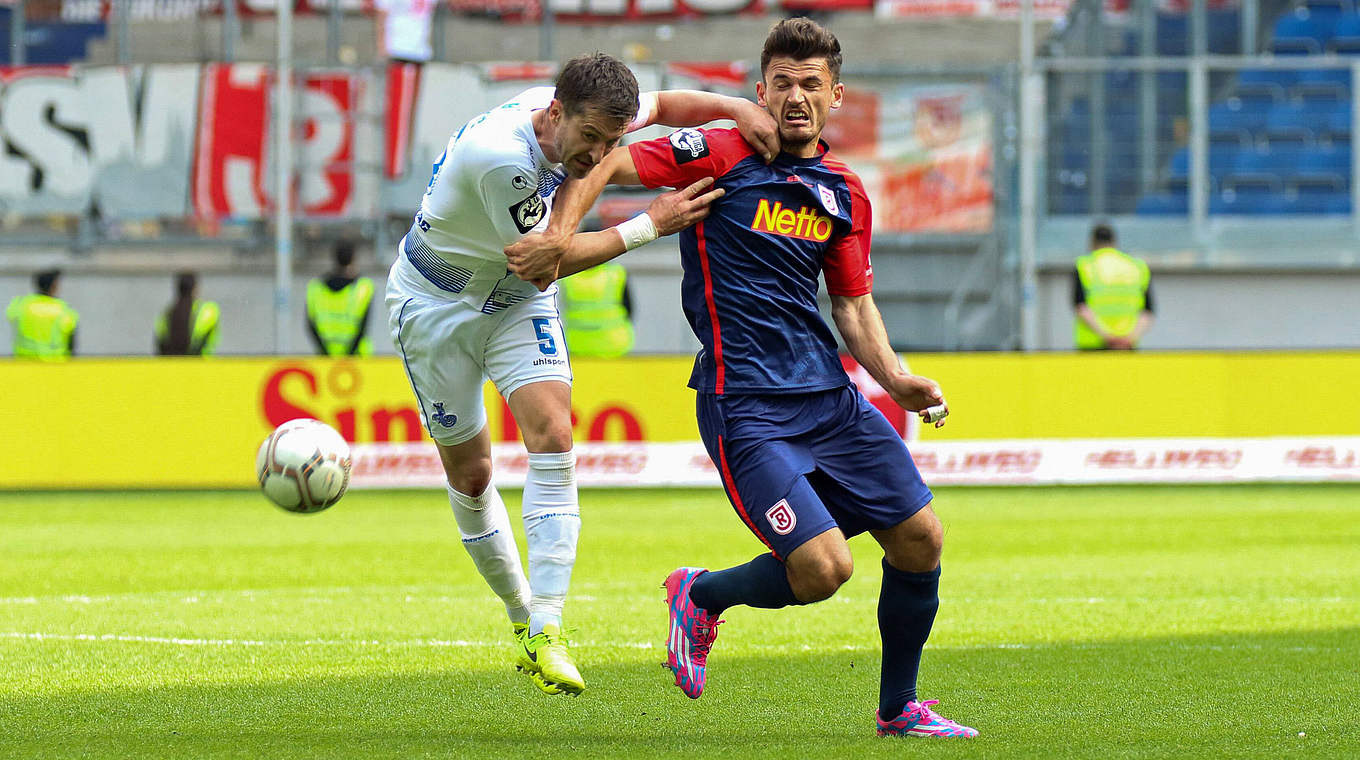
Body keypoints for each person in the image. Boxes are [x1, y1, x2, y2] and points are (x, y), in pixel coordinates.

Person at [509, 19, 978, 738]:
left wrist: (896, 375)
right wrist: (559, 238)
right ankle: (702, 597)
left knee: (921, 539)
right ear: (760, 91)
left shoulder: (844, 190)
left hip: (831, 400)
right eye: (782, 83)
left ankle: (898, 709)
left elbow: (852, 303)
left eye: (811, 85)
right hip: (747, 407)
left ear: (836, 96)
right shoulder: (721, 152)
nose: (796, 97)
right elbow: (607, 160)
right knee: (825, 570)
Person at [384, 51, 778, 697]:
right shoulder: (503, 160)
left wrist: (735, 106)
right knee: (474, 474)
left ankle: (548, 627)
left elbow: (666, 105)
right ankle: (519, 619)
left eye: (611, 141)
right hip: (437, 305)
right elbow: (546, 264)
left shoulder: (590, 110)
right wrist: (656, 222)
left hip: (513, 304)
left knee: (555, 437)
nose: (599, 156)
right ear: (555, 113)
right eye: (590, 139)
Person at [1073, 223, 1154, 350]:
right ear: (1115, 242)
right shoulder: (1137, 267)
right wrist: (1129, 339)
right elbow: (1147, 312)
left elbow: (1081, 308)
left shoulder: (1084, 266)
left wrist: (1107, 337)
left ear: (1092, 242)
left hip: (1093, 347)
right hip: (1128, 346)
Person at [307, 241, 375, 357]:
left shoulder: (315, 287)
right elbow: (362, 327)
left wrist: (327, 355)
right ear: (353, 259)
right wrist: (346, 357)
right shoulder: (363, 287)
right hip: (358, 360)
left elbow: (311, 326)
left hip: (325, 360)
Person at [557, 262, 634, 359]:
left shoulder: (567, 275)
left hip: (577, 345)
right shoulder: (615, 273)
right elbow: (629, 308)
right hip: (613, 344)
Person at [6, 268, 78, 360]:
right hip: (55, 365)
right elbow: (71, 343)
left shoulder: (21, 305)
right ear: (54, 286)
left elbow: (11, 316)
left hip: (24, 364)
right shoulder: (63, 310)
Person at [155, 272, 220, 356]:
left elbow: (161, 344)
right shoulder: (208, 311)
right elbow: (207, 343)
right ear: (195, 289)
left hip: (170, 364)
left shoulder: (166, 313)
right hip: (201, 364)